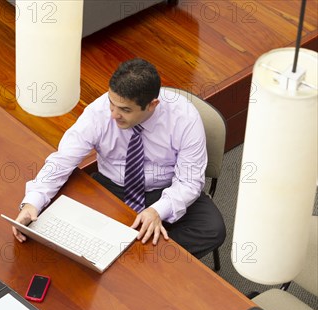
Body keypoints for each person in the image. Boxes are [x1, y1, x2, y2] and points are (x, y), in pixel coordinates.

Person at [13, 58, 225, 260]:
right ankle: (135, 257)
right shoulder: (98, 113)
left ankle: (140, 262)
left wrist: (158, 210)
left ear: (152, 105)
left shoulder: (184, 118)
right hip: (113, 187)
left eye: (125, 110)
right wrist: (32, 203)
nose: (114, 115)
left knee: (212, 229)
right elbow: (62, 160)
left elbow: (189, 181)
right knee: (63, 225)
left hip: (165, 188)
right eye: (111, 104)